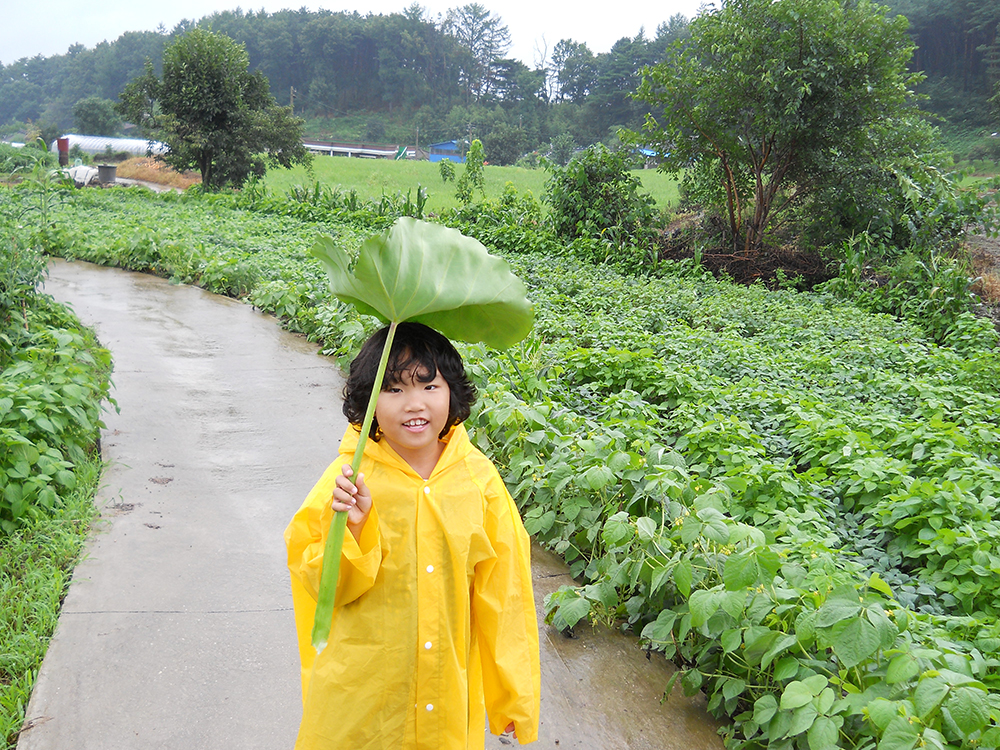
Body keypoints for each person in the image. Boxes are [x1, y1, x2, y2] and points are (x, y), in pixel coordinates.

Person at [285, 322, 540, 749]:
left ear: (452, 393)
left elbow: (505, 593)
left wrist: (512, 695)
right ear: (368, 402)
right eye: (394, 389)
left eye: (428, 386)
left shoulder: (478, 482)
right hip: (359, 702)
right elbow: (321, 587)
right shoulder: (348, 480)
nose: (413, 404)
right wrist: (353, 528)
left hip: (444, 700)